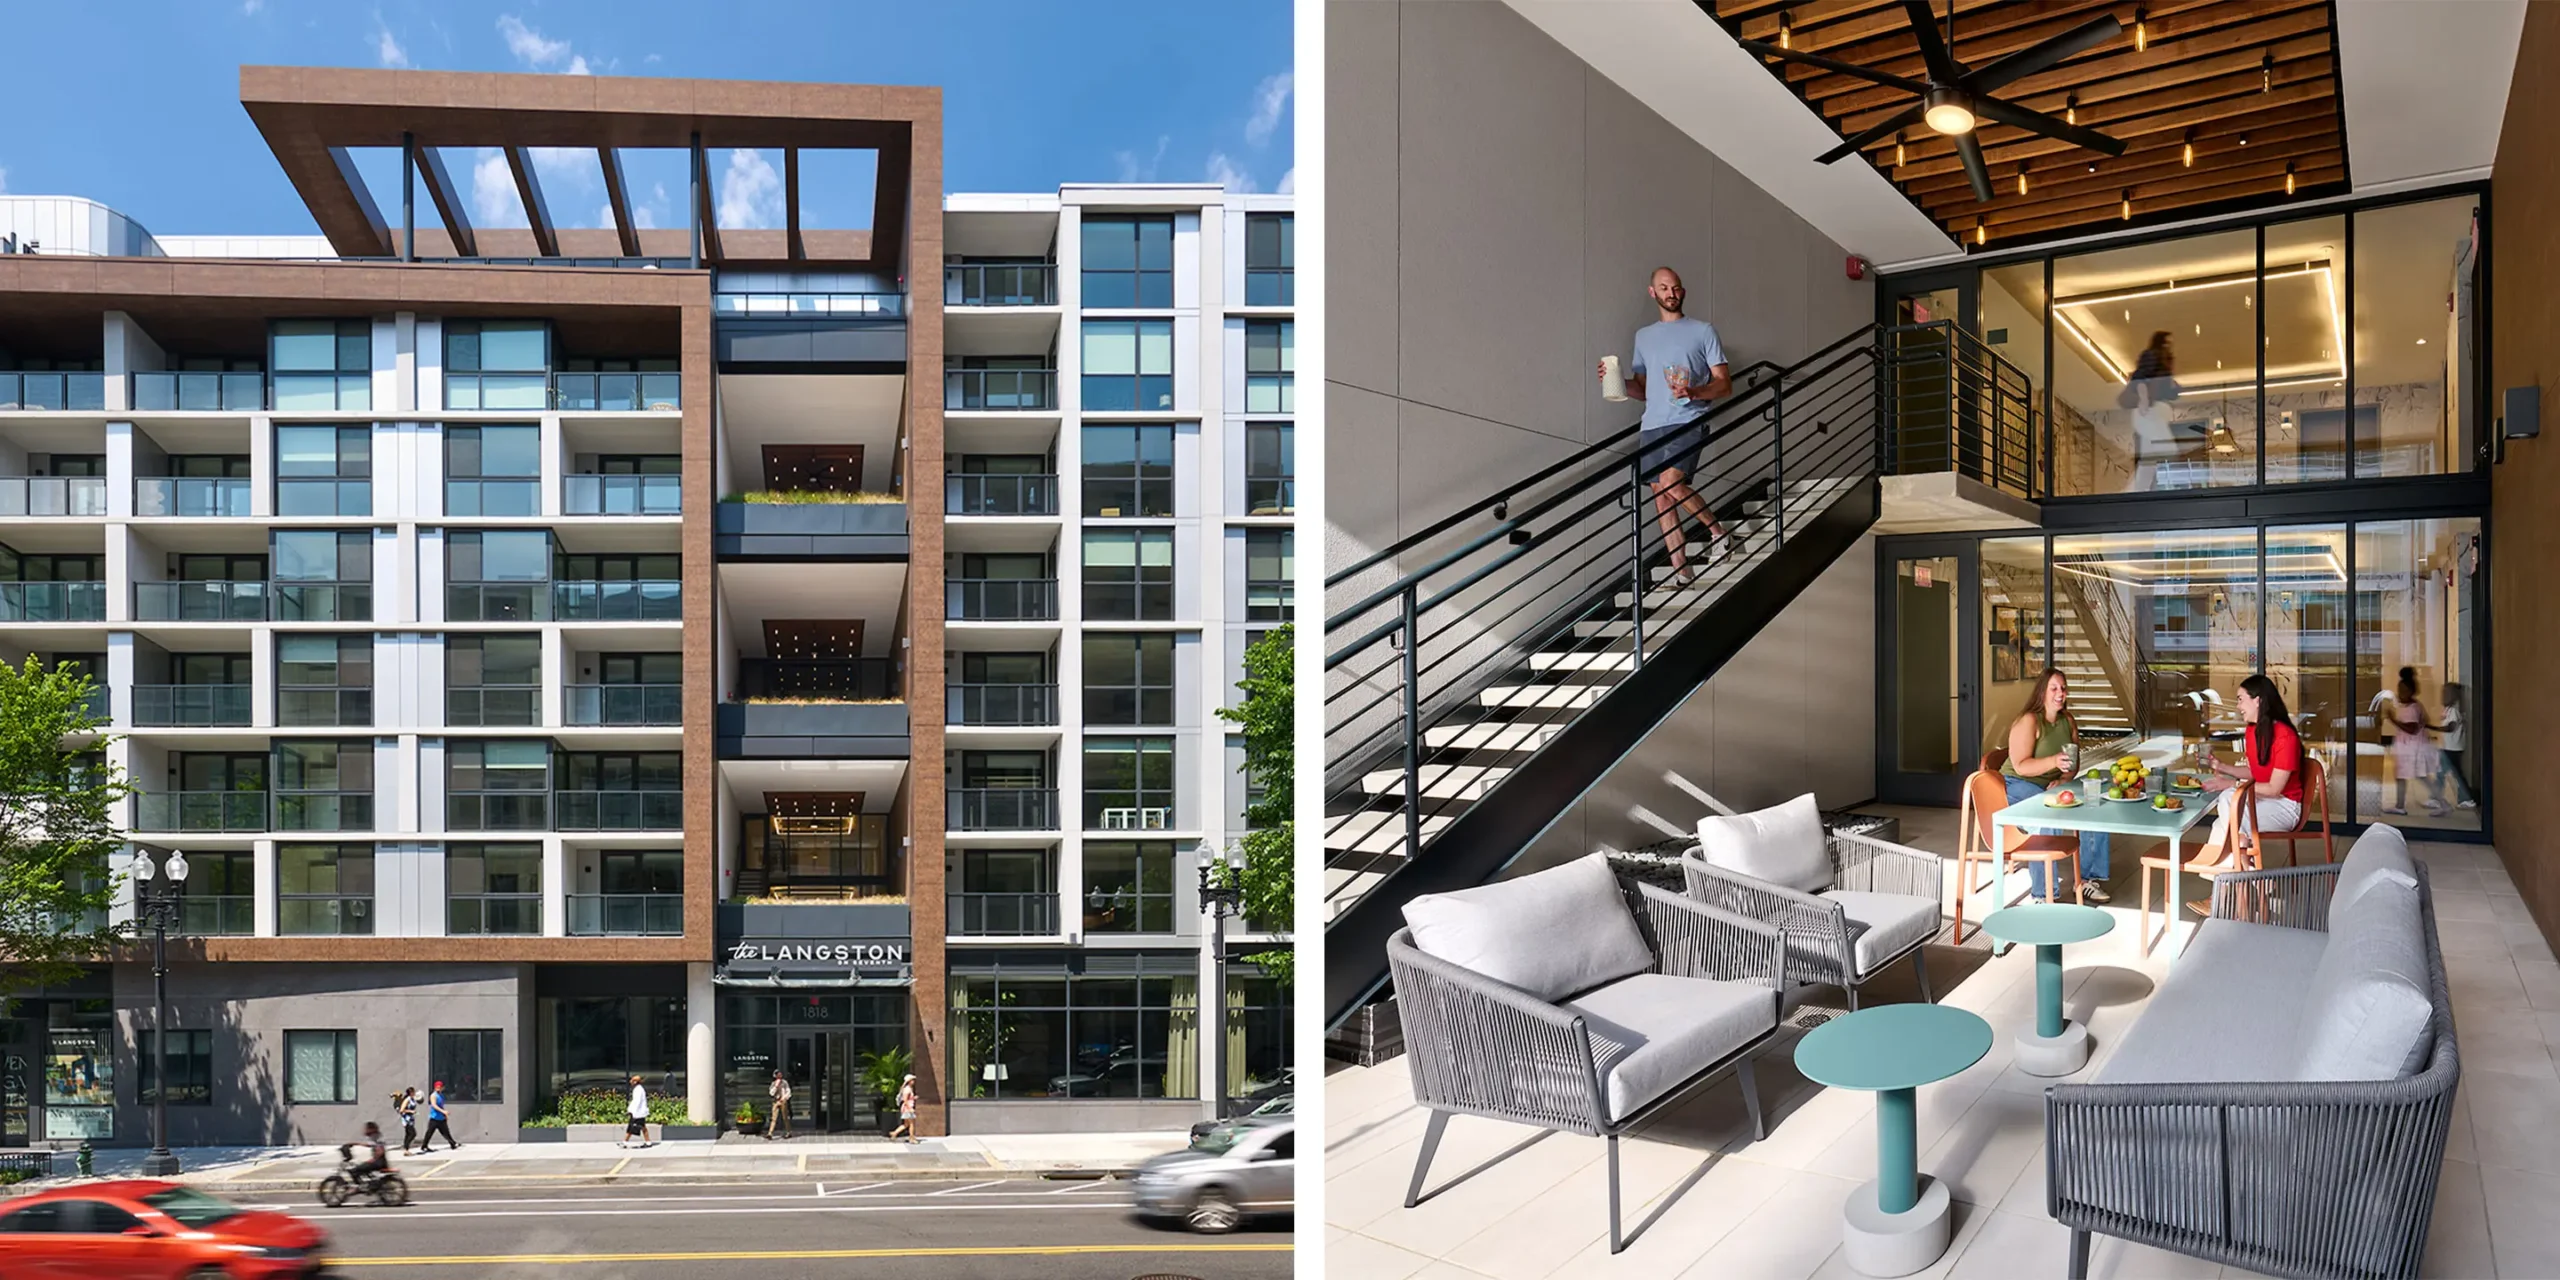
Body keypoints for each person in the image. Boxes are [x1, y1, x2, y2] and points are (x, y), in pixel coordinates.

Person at [1599, 267, 1734, 586]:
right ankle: (1681, 570)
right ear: (1653, 293)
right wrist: (1614, 381)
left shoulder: (1703, 331)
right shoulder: (1643, 337)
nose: (1671, 293)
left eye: (1675, 288)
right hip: (1652, 426)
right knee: (1661, 498)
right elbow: (1644, 390)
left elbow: (1725, 385)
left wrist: (1695, 392)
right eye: (1664, 288)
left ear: (1682, 292)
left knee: (1674, 485)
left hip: (1688, 420)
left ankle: (1719, 533)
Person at [1997, 668, 2110, 903]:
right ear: (2042, 692)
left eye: (2063, 688)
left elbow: (2073, 762)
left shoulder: (2067, 721)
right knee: (2046, 817)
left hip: (2049, 786)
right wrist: (2053, 761)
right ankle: (2043, 894)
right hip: (2016, 784)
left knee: (2094, 806)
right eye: (2054, 688)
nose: (2060, 693)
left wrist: (2065, 779)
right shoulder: (2029, 720)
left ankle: (2087, 880)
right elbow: (2020, 766)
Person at [2199, 674, 2307, 870]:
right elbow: (2255, 772)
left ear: (2258, 700)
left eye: (2241, 699)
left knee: (2228, 805)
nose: (2238, 706)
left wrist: (2232, 784)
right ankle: (2242, 881)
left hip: (2285, 806)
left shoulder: (2286, 737)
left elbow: (2274, 788)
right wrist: (2222, 767)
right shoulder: (2252, 731)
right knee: (2224, 822)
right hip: (2262, 800)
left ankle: (2232, 887)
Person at [2384, 671, 2447, 816]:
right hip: (2409, 747)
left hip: (2411, 748)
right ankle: (2400, 805)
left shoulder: (2412, 708)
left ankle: (2443, 804)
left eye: (2404, 691)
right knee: (2407, 776)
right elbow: (2423, 720)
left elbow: (2411, 729)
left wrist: (2393, 720)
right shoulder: (2412, 705)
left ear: (2411, 692)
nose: (2400, 693)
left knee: (2417, 776)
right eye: (2399, 690)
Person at [2437, 682, 2476, 810]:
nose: (2442, 696)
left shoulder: (2453, 711)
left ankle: (2466, 798)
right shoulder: (2448, 710)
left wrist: (2431, 727)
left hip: (2453, 748)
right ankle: (2462, 798)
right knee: (2445, 772)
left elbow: (2450, 727)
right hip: (2448, 746)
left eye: (2446, 694)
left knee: (2451, 773)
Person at [345, 1121, 391, 1187]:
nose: (365, 1131)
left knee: (356, 1169)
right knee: (360, 1167)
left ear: (372, 1129)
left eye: (367, 1129)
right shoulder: (374, 1137)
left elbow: (381, 1150)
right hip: (377, 1161)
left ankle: (358, 1187)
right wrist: (355, 1144)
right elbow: (369, 1144)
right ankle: (366, 1183)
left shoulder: (378, 1137)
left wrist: (373, 1159)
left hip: (379, 1162)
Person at [420, 1080, 459, 1152]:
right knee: (429, 1133)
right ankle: (424, 1146)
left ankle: (453, 1144)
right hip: (434, 1118)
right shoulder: (433, 1095)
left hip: (441, 1118)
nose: (438, 1088)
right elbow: (434, 1105)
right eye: (437, 1087)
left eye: (440, 1087)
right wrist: (443, 1111)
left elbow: (441, 1106)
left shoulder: (441, 1095)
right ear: (435, 1088)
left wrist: (444, 1114)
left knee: (446, 1132)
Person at [888, 1073, 920, 1144]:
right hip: (907, 1109)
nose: (913, 1081)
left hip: (907, 1108)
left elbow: (908, 1099)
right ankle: (911, 1138)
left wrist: (913, 1098)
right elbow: (905, 1100)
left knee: (906, 1124)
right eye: (912, 1080)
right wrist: (910, 1108)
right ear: (909, 1081)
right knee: (911, 1124)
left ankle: (895, 1133)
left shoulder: (908, 1089)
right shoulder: (907, 1089)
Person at [621, 1074, 650, 1149]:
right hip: (640, 1112)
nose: (630, 1082)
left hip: (637, 1112)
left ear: (635, 1082)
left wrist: (631, 1111)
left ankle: (625, 1142)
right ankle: (648, 1142)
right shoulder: (639, 1089)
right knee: (643, 1127)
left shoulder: (638, 1090)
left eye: (632, 1080)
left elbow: (636, 1101)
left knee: (631, 1127)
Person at [765, 1069, 793, 1141]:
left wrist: (784, 1098)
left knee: (785, 1117)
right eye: (777, 1075)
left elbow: (788, 1091)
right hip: (776, 1101)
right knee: (774, 1118)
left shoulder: (784, 1083)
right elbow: (771, 1093)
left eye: (779, 1074)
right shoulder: (773, 1084)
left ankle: (788, 1132)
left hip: (783, 1101)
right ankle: (770, 1133)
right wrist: (776, 1086)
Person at [394, 1087, 420, 1156]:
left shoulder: (412, 1099)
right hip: (407, 1119)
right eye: (413, 1092)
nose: (414, 1093)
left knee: (408, 1134)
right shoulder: (407, 1099)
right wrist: (411, 1111)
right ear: (411, 1093)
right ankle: (406, 1148)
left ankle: (406, 1149)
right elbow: (401, 1110)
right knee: (412, 1134)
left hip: (411, 1119)